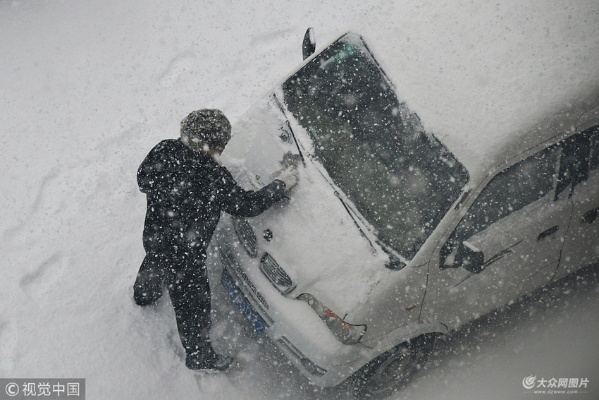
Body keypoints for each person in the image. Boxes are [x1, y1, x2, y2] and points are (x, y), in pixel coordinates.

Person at [133, 109, 298, 371]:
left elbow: (143, 179)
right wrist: (280, 185)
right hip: (187, 256)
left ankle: (144, 294)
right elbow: (246, 205)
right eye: (222, 144)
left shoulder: (164, 150)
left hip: (156, 237)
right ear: (211, 146)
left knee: (155, 263)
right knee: (193, 307)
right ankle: (200, 358)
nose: (223, 149)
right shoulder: (213, 178)